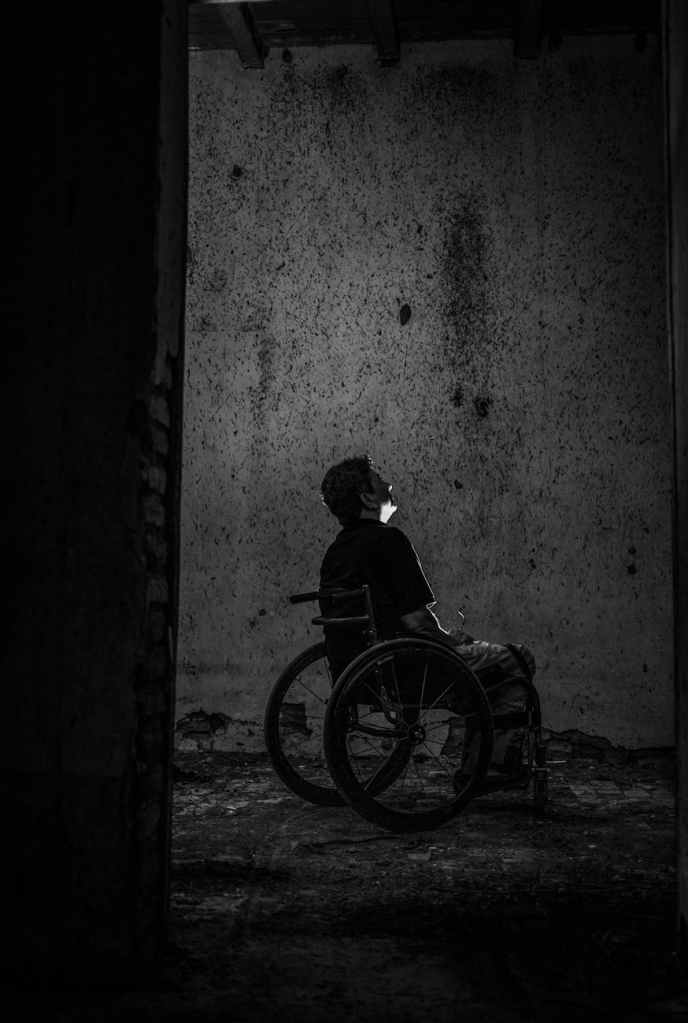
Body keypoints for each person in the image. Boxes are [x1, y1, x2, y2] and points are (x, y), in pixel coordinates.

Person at [318, 454, 536, 782]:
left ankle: (482, 762)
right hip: (409, 669)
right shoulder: (389, 540)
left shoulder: (336, 552)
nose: (389, 485)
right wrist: (450, 641)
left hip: (359, 674)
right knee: (515, 660)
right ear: (367, 497)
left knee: (483, 665)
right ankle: (490, 769)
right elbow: (416, 621)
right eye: (379, 481)